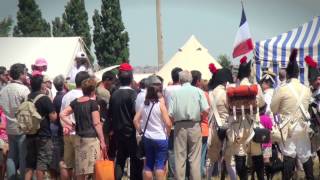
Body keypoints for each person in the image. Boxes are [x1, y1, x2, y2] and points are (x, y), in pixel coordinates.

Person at [271, 49, 314, 180]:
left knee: (289, 157)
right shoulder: (306, 90)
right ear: (298, 73)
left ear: (288, 74)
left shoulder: (282, 89)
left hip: (288, 129)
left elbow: (273, 109)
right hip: (302, 127)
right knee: (306, 157)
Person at [60, 78, 106, 180]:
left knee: (80, 169)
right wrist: (102, 140)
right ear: (93, 90)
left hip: (79, 138)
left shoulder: (75, 102)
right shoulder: (93, 104)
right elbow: (97, 123)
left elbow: (62, 114)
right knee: (94, 168)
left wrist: (72, 124)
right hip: (91, 139)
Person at [168, 70, 209, 180]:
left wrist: (174, 123)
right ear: (190, 80)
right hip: (195, 125)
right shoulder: (198, 91)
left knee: (180, 158)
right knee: (195, 158)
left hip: (179, 126)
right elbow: (206, 110)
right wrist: (199, 116)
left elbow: (170, 114)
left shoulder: (174, 93)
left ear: (180, 80)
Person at [231, 56, 266, 180]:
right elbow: (262, 105)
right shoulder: (256, 88)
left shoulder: (233, 89)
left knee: (240, 158)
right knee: (258, 158)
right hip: (253, 128)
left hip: (238, 129)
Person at [109, 70, 143, 180]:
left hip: (118, 131)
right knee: (135, 159)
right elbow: (136, 113)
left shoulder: (114, 94)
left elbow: (110, 114)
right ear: (131, 79)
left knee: (120, 158)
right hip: (131, 131)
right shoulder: (133, 94)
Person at [133, 85, 172, 180]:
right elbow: (168, 123)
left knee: (148, 164)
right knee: (159, 164)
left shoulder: (144, 104)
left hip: (147, 137)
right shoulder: (160, 105)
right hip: (160, 137)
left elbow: (135, 120)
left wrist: (140, 132)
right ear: (157, 93)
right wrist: (168, 133)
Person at [24, 75, 57, 180]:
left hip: (29, 134)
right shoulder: (44, 98)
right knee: (41, 164)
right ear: (41, 85)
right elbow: (53, 117)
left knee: (29, 165)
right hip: (43, 135)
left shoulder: (27, 98)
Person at [0, 63, 30, 180]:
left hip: (9, 126)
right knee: (23, 157)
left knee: (12, 155)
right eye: (25, 73)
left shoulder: (4, 90)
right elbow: (29, 107)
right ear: (21, 74)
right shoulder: (23, 89)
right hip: (21, 127)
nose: (26, 75)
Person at [206, 68, 237, 180]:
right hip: (226, 128)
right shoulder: (226, 94)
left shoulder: (209, 94)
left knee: (210, 158)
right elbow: (232, 110)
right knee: (230, 159)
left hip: (213, 128)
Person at [60, 71, 90, 180]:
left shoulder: (66, 95)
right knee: (81, 165)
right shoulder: (85, 96)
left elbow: (61, 115)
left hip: (67, 133)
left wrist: (66, 126)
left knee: (66, 164)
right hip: (81, 134)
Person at [162, 67, 182, 180]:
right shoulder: (183, 89)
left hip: (169, 123)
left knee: (171, 151)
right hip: (181, 122)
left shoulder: (167, 89)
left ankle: (172, 174)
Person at [190, 70, 210, 178]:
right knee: (201, 157)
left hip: (191, 127)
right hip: (203, 128)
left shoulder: (188, 93)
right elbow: (207, 111)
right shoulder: (204, 94)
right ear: (198, 81)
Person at [51, 75, 67, 178]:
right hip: (62, 130)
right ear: (64, 84)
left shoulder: (56, 98)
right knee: (62, 158)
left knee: (57, 156)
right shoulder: (64, 97)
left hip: (56, 129)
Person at [0, 107, 8, 179]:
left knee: (4, 161)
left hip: (6, 139)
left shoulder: (5, 112)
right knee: (3, 161)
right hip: (3, 139)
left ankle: (2, 177)